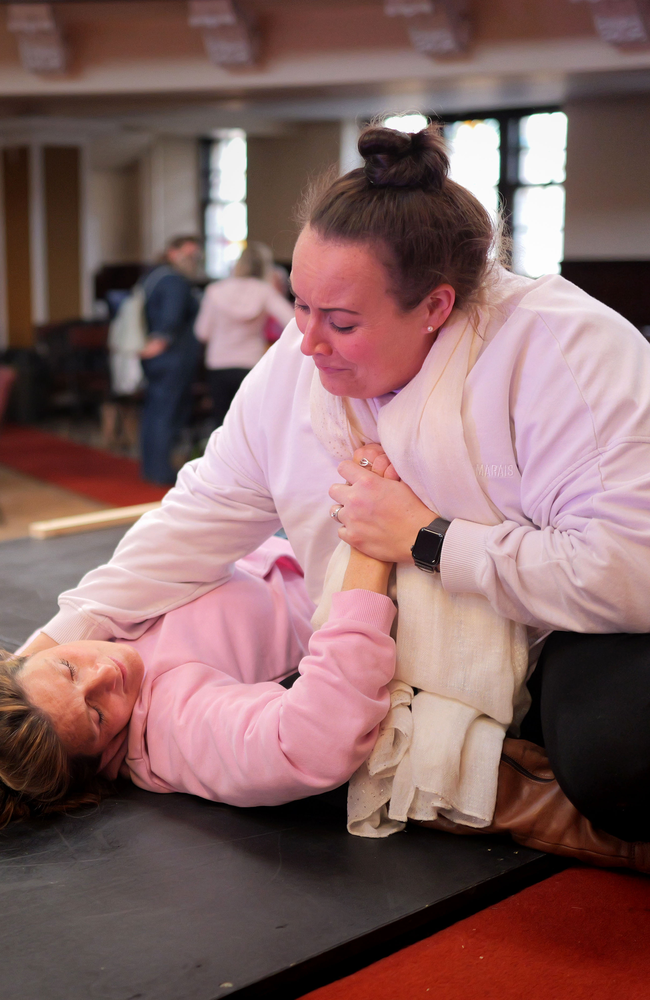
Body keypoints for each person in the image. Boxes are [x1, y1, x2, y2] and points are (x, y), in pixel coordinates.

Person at [21, 122, 650, 870]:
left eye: (342, 322)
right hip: (400, 633)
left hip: (575, 624)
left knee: (621, 764)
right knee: (304, 755)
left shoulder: (562, 349)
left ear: (435, 308)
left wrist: (428, 538)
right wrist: (39, 661)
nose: (307, 344)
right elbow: (200, 516)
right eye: (300, 305)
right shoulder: (298, 361)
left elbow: (631, 571)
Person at [0, 540, 395, 824]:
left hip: (300, 538)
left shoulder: (60, 653)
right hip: (366, 569)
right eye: (96, 714)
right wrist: (369, 554)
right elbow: (306, 744)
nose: (104, 672)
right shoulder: (174, 726)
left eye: (68, 668)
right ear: (98, 759)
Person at [195, 243, 294, 428]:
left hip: (218, 364)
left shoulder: (214, 291)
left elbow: (202, 332)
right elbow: (293, 321)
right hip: (251, 363)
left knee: (221, 425)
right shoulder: (264, 291)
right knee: (249, 425)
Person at [139, 235, 204, 485]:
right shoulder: (175, 281)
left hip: (161, 359)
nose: (193, 261)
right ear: (172, 253)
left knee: (155, 411)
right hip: (172, 358)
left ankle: (151, 467)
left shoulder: (154, 276)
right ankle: (160, 471)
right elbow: (171, 318)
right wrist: (160, 342)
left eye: (196, 257)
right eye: (188, 256)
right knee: (166, 413)